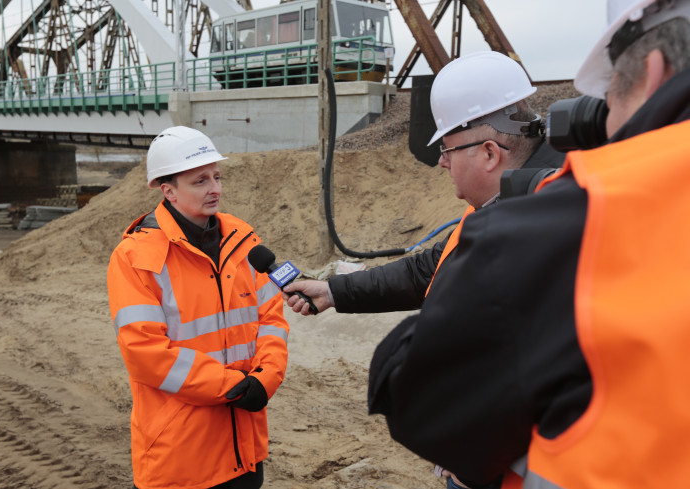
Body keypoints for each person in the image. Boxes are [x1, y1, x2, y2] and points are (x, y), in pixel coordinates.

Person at [368, 0, 690, 488]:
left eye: (611, 96)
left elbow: (414, 395)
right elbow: (426, 266)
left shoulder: (564, 225)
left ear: (654, 71)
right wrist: (338, 291)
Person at [282, 51, 563, 318]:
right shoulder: (508, 204)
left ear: (489, 153)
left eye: (447, 150)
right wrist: (333, 291)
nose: (442, 163)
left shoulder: (540, 234)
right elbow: (429, 269)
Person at [107, 126, 289, 489]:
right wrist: (234, 387)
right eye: (200, 180)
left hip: (244, 448)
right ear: (168, 191)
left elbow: (271, 319)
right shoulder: (137, 258)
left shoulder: (243, 240)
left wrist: (265, 378)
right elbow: (145, 353)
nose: (215, 188)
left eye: (217, 177)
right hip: (180, 456)